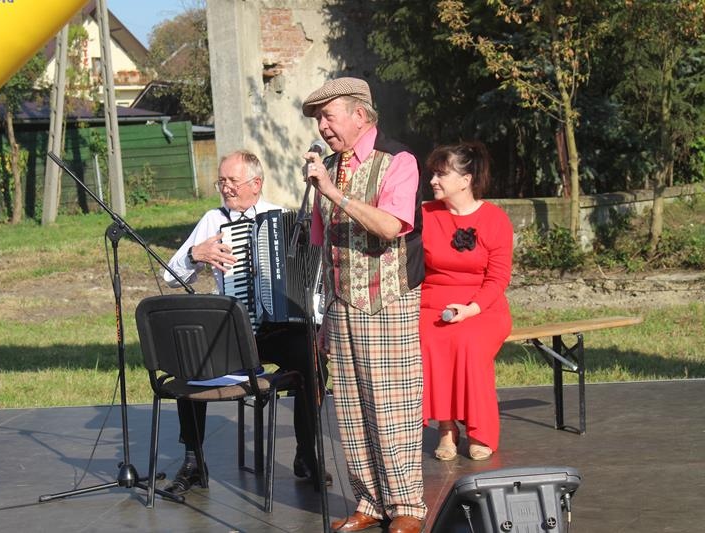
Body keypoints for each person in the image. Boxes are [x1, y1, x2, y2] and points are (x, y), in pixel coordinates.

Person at [162, 150, 329, 496]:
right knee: (189, 358)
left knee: (313, 360)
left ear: (256, 184)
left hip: (275, 328)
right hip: (232, 330)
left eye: (232, 181)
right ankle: (193, 460)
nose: (225, 187)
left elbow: (311, 270)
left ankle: (306, 452)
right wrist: (195, 255)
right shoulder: (213, 220)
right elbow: (170, 276)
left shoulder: (281, 218)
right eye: (221, 181)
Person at [302, 77, 426, 533]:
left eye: (328, 116)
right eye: (319, 119)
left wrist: (334, 192)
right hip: (341, 303)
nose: (322, 126)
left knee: (391, 406)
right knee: (351, 411)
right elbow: (324, 245)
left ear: (360, 114)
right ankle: (370, 502)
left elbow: (392, 225)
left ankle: (407, 505)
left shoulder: (398, 160)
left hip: (386, 301)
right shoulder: (330, 167)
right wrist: (324, 315)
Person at [419, 141, 513, 462]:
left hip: (483, 307)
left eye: (441, 174)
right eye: (433, 174)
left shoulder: (495, 219)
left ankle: (479, 430)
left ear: (465, 180)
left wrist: (471, 309)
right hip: (433, 304)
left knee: (469, 342)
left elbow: (498, 278)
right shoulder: (425, 215)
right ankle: (446, 429)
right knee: (427, 338)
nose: (433, 180)